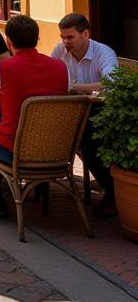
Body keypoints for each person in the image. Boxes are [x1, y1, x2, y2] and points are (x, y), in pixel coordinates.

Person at [0, 14, 68, 217]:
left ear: (8, 42)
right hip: (56, 149)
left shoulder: (1, 68)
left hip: (13, 150)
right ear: (37, 40)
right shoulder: (61, 67)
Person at [51, 12, 119, 217]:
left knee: (87, 139)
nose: (65, 42)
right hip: (70, 110)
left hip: (101, 112)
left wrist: (75, 88)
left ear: (86, 34)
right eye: (62, 37)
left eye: (69, 37)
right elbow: (47, 71)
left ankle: (113, 194)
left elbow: (111, 84)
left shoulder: (103, 53)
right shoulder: (60, 50)